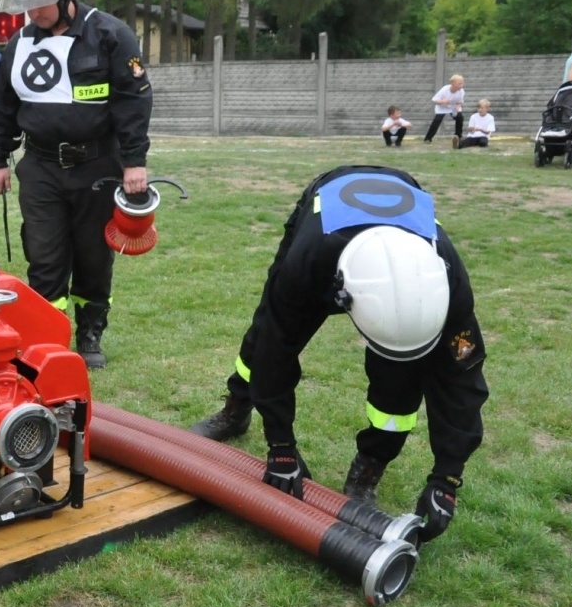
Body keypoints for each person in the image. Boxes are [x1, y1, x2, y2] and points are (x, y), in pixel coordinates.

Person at [187, 165, 488, 544]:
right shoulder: (307, 264)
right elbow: (274, 351)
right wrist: (281, 446)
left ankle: (370, 467)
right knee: (268, 329)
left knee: (400, 379)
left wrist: (447, 477)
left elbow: (462, 381)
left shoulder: (446, 284)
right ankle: (237, 408)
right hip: (329, 205)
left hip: (397, 216)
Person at [0, 0, 152, 369]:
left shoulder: (111, 35)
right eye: (27, 5)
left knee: (94, 255)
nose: (34, 13)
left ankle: (91, 329)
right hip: (40, 166)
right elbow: (4, 104)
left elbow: (133, 102)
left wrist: (134, 161)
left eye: (41, 3)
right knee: (44, 254)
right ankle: (48, 333)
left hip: (98, 166)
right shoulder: (19, 44)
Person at [423, 75, 465, 143]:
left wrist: (458, 107)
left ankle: (458, 136)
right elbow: (435, 100)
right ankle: (428, 138)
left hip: (453, 107)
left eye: (462, 83)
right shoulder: (445, 89)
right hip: (442, 107)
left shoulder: (461, 91)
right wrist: (443, 102)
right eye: (459, 83)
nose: (461, 85)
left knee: (460, 117)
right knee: (437, 121)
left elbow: (460, 102)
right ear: (453, 83)